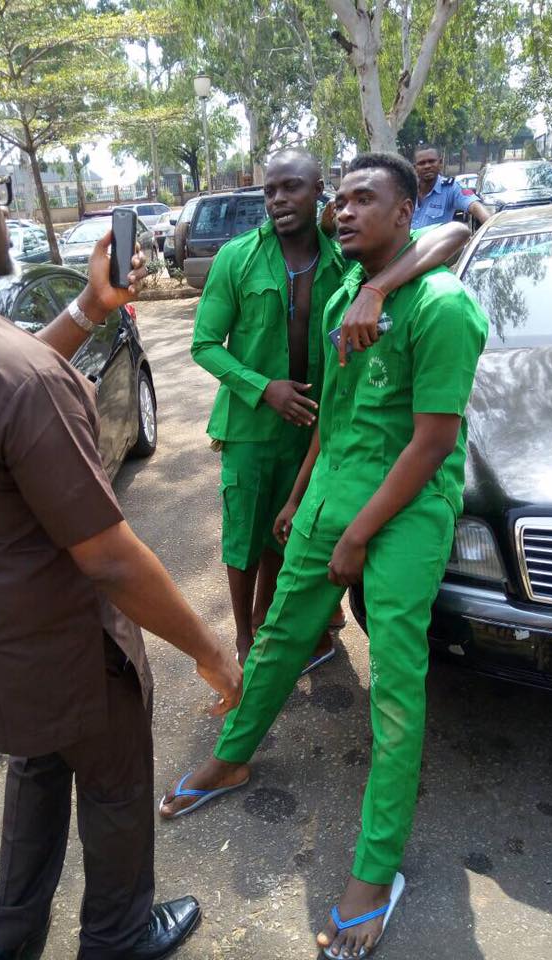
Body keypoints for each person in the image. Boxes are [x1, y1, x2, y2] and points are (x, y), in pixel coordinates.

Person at [0, 114, 242, 960]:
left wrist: (88, 309)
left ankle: (10, 937)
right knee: (115, 787)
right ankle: (117, 936)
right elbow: (110, 559)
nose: (5, 209)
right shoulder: (9, 373)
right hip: (67, 650)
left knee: (38, 765)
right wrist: (210, 651)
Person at [162, 152, 489, 960]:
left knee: (396, 688)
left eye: (362, 199)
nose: (342, 212)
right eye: (338, 200)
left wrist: (358, 535)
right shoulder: (347, 294)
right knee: (277, 637)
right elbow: (334, 416)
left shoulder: (441, 307)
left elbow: (431, 443)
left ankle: (376, 872)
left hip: (405, 511)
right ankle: (232, 758)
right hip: (330, 493)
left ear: (405, 212)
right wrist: (300, 495)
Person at [191, 148, 470, 667]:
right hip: (251, 425)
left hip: (315, 425)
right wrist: (265, 388)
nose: (278, 199)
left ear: (319, 192)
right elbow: (204, 344)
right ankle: (245, 641)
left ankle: (277, 624)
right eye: (270, 191)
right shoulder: (237, 257)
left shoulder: (342, 256)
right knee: (243, 535)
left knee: (287, 530)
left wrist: (379, 287)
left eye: (291, 187)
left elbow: (453, 233)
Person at [412, 143, 490, 228]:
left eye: (431, 161)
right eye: (422, 163)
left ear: (440, 163)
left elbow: (475, 206)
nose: (427, 166)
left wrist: (492, 227)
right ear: (415, 167)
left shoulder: (451, 188)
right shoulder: (406, 190)